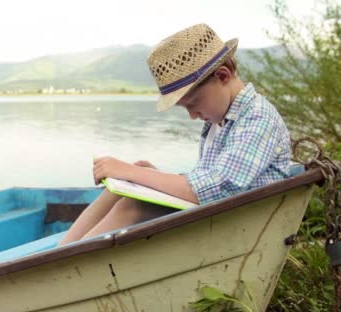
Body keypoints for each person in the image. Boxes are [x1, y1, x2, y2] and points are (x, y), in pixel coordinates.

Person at [57, 23, 292, 246]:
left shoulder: (257, 117)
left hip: (241, 225)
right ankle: (58, 254)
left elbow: (218, 188)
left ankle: (66, 267)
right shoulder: (221, 119)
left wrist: (133, 172)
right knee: (118, 188)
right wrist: (147, 175)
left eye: (194, 103)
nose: (192, 115)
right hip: (218, 214)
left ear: (222, 76)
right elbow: (207, 179)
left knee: (132, 206)